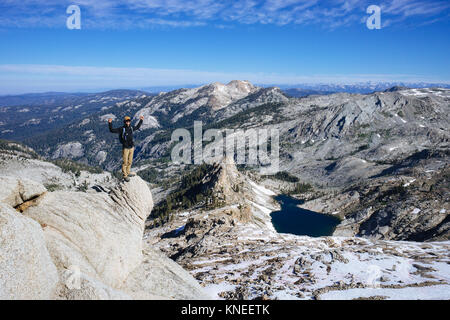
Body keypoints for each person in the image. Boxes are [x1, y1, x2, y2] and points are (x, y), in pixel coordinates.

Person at [108, 115, 144, 182]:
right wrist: (110, 123)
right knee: (125, 162)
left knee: (130, 161)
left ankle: (128, 172)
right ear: (124, 122)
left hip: (131, 147)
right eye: (127, 121)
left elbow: (138, 127)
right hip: (125, 148)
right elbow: (112, 130)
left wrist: (141, 120)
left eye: (129, 121)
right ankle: (125, 175)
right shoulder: (122, 129)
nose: (128, 122)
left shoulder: (131, 127)